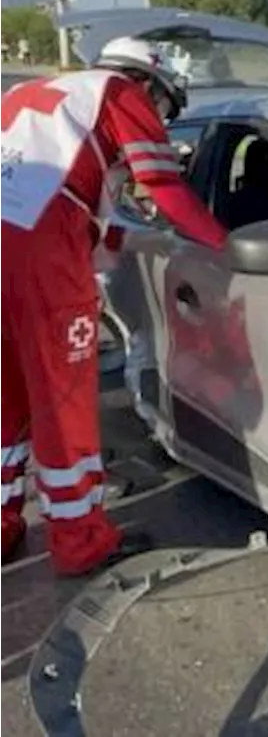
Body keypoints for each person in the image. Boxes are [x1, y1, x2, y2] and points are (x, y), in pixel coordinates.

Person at [0, 37, 229, 577]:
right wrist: (223, 245)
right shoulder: (121, 92)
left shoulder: (33, 91)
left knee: (6, 401)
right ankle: (81, 541)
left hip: (15, 236)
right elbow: (163, 189)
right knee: (63, 402)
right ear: (148, 82)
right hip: (39, 260)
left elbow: (74, 199)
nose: (159, 120)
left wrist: (140, 239)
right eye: (164, 107)